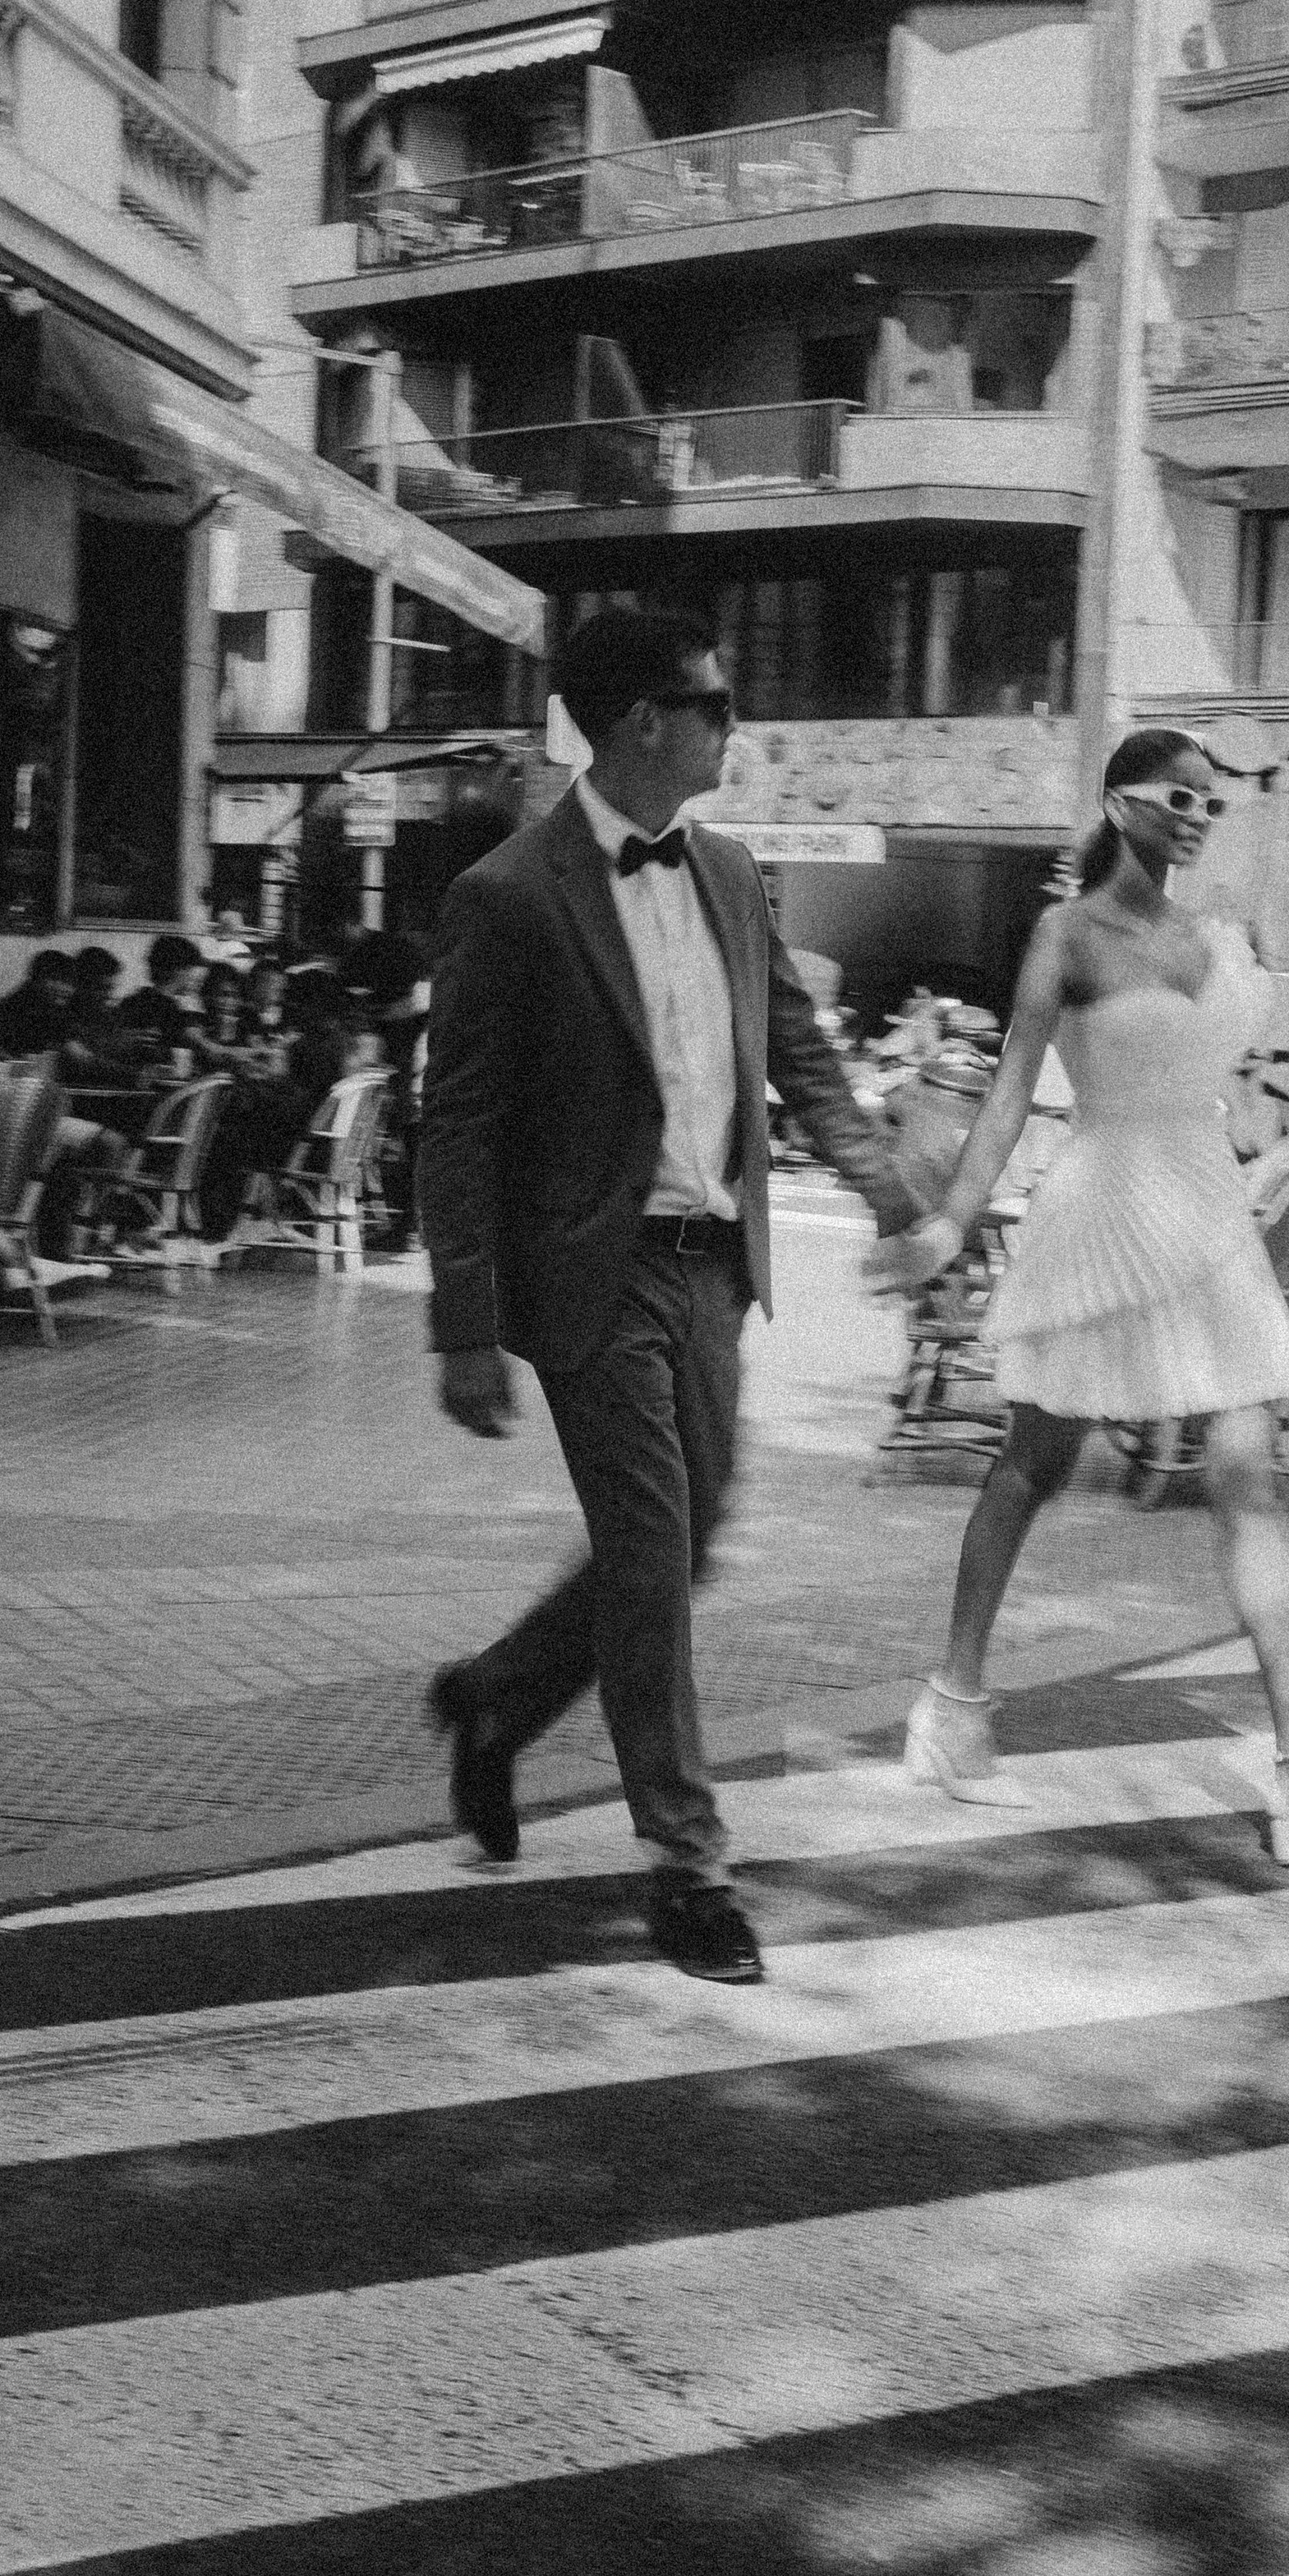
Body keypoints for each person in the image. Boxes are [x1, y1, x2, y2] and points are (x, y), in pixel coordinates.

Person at [417, 605, 918, 1984]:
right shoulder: (511, 894)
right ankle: (690, 1865)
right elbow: (454, 1125)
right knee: (649, 1557)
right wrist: (464, 1331)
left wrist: (893, 1195)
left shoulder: (739, 873)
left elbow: (804, 1063)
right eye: (716, 701)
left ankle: (495, 1700)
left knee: (683, 1547)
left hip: (714, 1270)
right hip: (598, 1275)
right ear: (644, 719)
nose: (733, 725)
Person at [881, 728, 1289, 1876]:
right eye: (1183, 796)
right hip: (1104, 1206)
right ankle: (952, 1700)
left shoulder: (1218, 940)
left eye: (1214, 802)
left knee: (1244, 1478)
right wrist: (946, 1224)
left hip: (1206, 1209)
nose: (1203, 815)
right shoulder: (1068, 933)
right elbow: (1014, 1091)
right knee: (1035, 1463)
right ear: (1122, 804)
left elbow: (1230, 1085)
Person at [114, 936, 205, 1070]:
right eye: (190, 969)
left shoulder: (131, 1001)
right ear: (179, 970)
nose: (194, 976)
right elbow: (194, 1046)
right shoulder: (171, 1009)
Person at [0, 950, 77, 1066]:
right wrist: (13, 1062)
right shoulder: (18, 1004)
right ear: (37, 980)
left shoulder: (64, 1009)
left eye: (70, 983)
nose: (65, 988)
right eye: (56, 980)